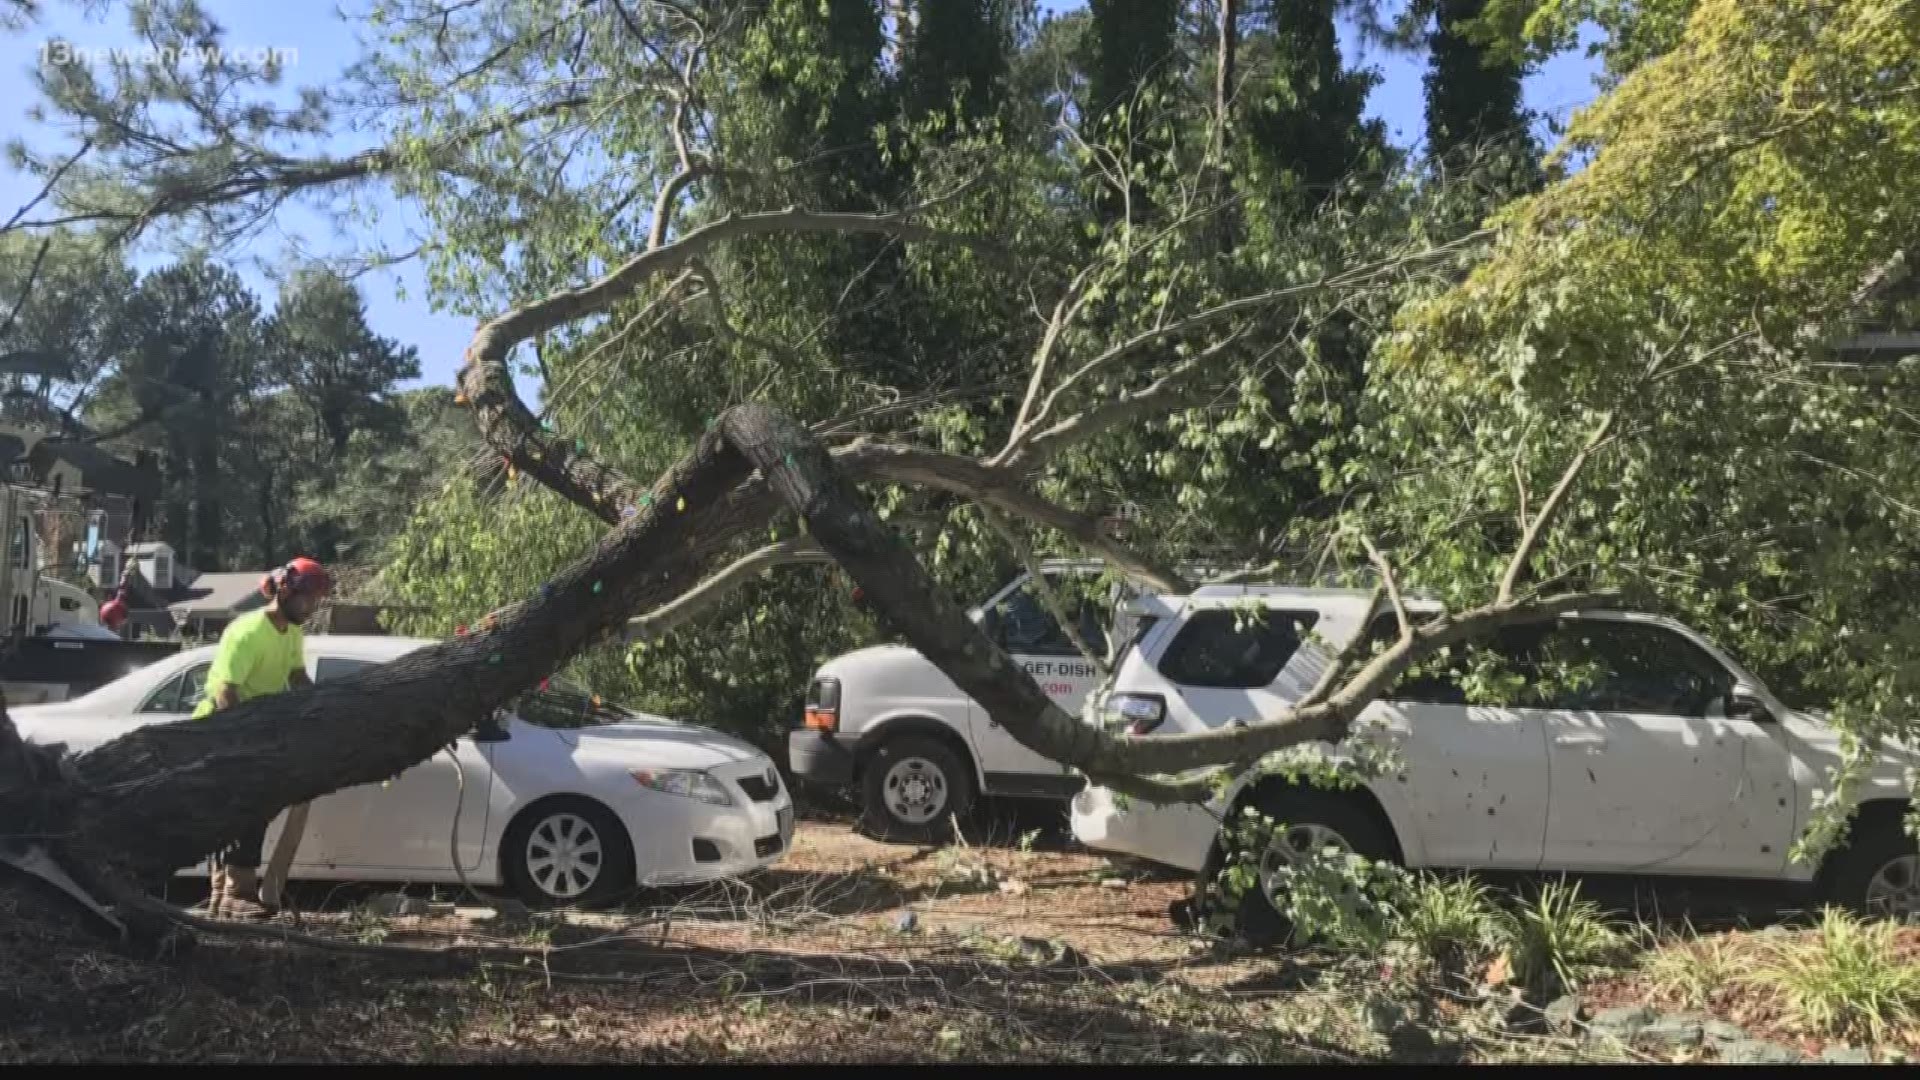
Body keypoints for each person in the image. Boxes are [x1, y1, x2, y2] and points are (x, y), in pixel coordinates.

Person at [194, 556, 332, 919]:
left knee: (249, 810)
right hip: (223, 728)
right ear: (285, 590)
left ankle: (223, 899)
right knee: (246, 807)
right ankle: (235, 893)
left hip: (257, 728)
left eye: (316, 600)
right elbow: (226, 691)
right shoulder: (249, 631)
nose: (312, 607)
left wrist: (323, 707)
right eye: (308, 599)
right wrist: (243, 741)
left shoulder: (293, 632)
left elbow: (297, 677)